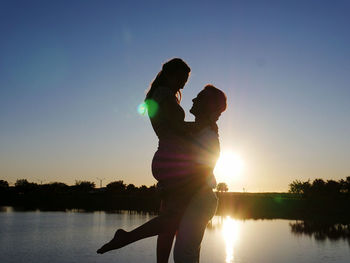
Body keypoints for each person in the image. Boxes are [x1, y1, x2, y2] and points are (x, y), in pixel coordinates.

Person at [97, 84, 227, 263]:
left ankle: (126, 238)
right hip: (191, 196)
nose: (193, 99)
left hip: (199, 199)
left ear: (210, 106)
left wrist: (169, 190)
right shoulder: (194, 131)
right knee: (184, 253)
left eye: (200, 97)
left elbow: (199, 176)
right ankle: (126, 238)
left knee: (184, 256)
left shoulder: (208, 137)